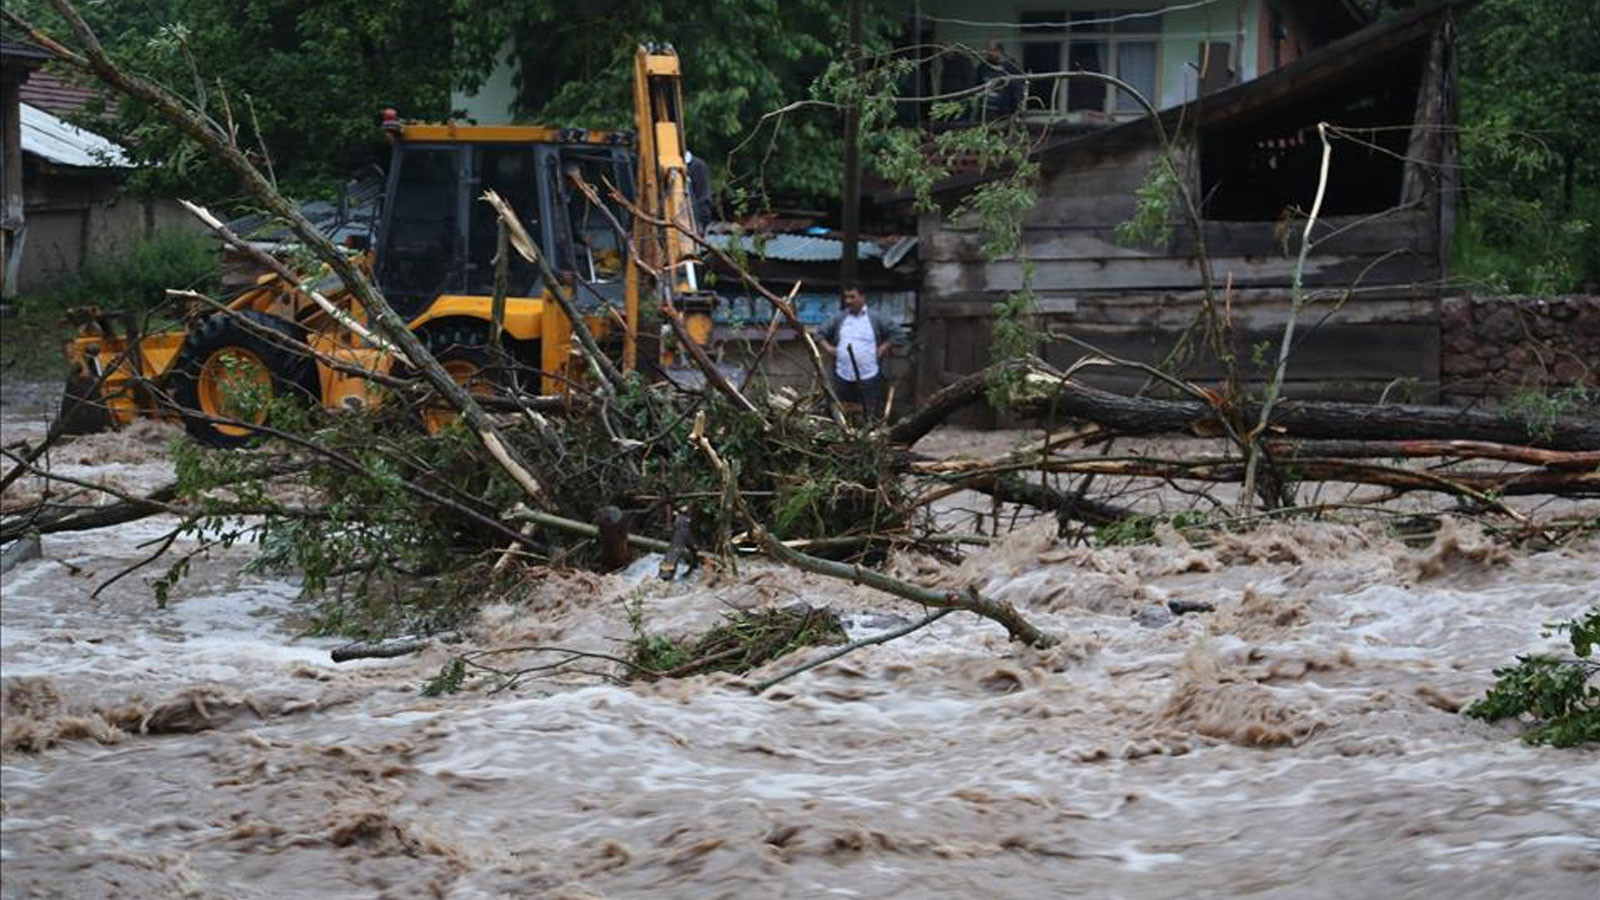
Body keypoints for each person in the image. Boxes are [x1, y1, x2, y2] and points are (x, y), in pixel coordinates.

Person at [817, 286, 893, 419]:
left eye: (852, 297)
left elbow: (897, 333)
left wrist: (884, 347)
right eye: (846, 297)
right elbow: (820, 334)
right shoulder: (840, 318)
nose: (848, 301)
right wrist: (829, 348)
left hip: (868, 375)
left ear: (863, 297)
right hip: (843, 375)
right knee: (843, 410)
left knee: (870, 411)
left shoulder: (875, 318)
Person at [977, 40, 1025, 119]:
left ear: (999, 51)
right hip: (986, 109)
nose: (987, 53)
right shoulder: (982, 67)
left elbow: (1019, 88)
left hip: (1005, 110)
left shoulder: (1011, 66)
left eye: (991, 50)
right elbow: (977, 85)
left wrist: (1017, 109)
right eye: (987, 50)